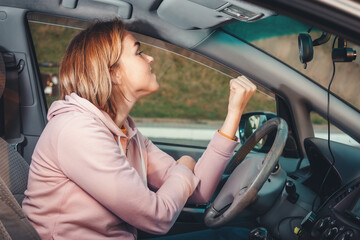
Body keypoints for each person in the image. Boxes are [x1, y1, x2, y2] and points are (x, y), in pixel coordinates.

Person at [22, 19, 256, 239]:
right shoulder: (77, 130)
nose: (151, 58)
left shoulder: (125, 130)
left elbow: (197, 192)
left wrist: (233, 114)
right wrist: (184, 165)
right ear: (113, 73)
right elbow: (157, 218)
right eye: (139, 52)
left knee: (233, 235)